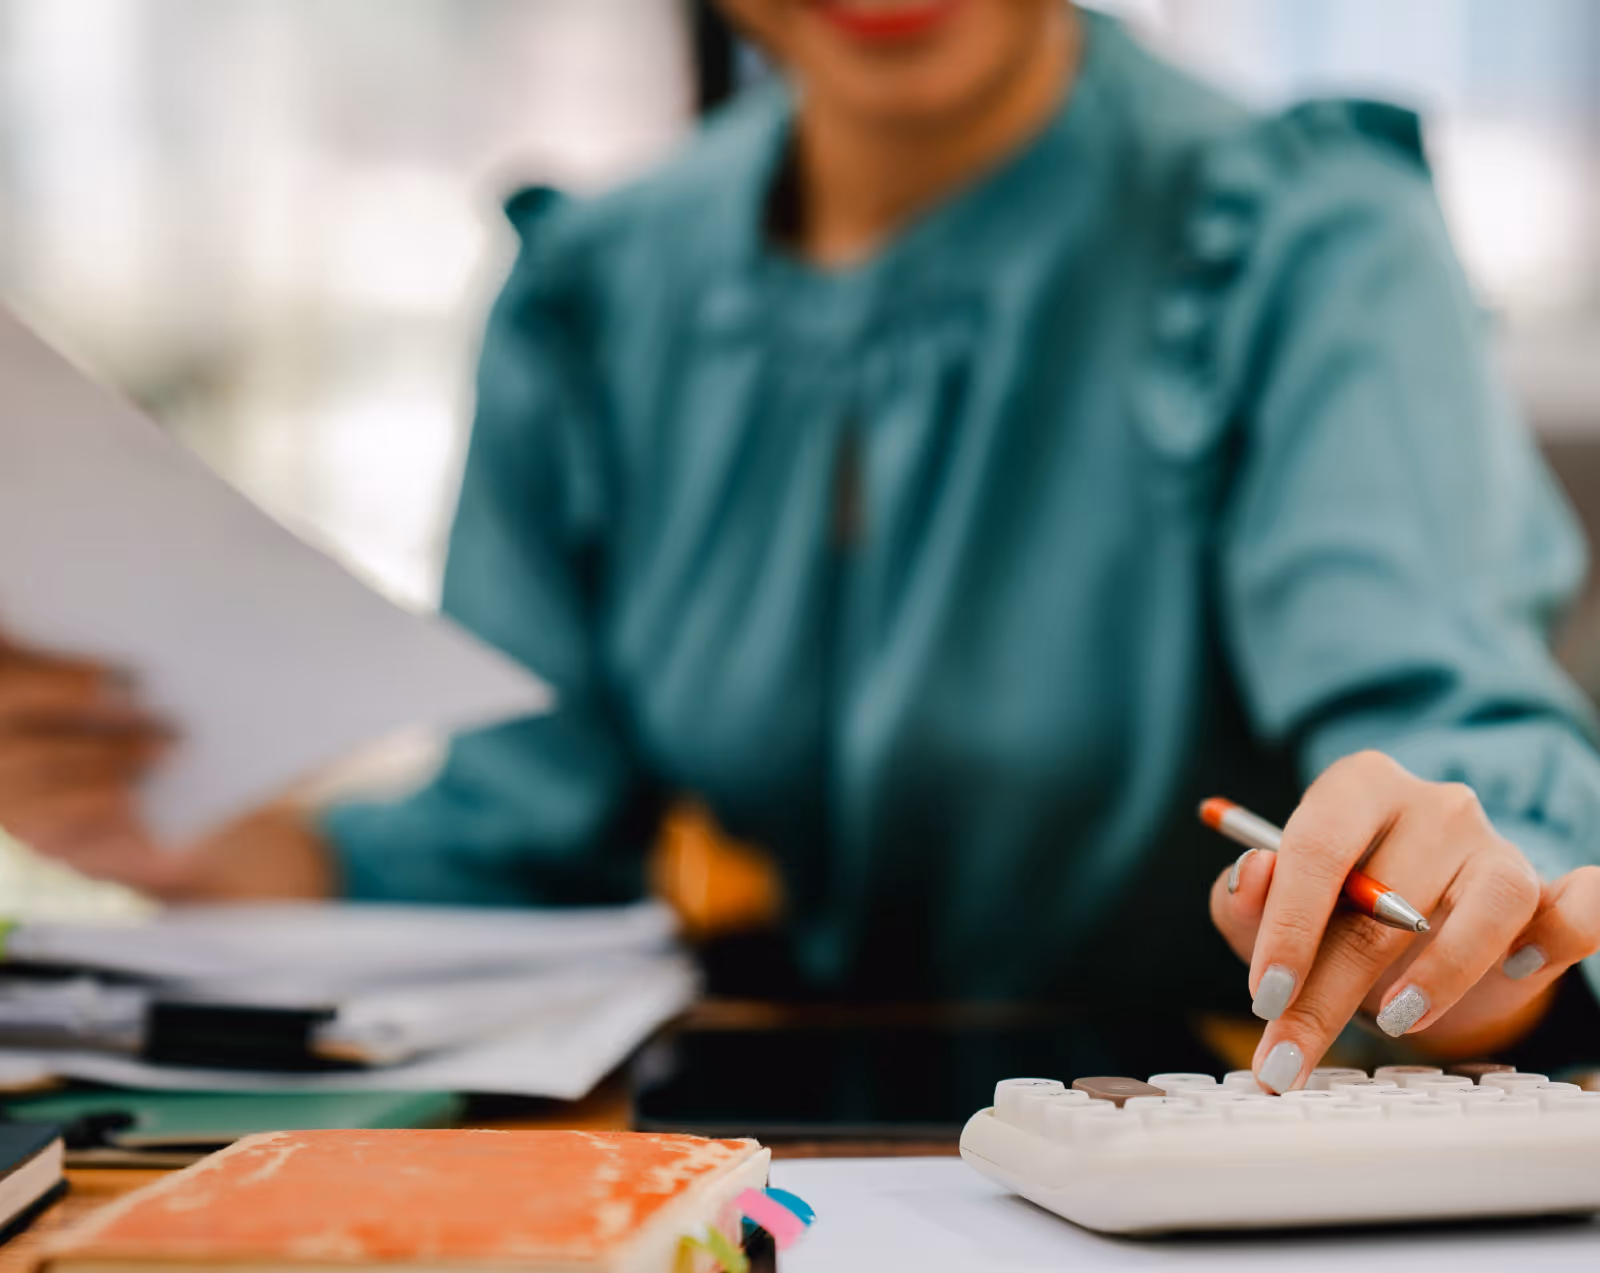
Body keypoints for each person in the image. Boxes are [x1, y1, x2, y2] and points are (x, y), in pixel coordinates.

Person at [1, 1, 1598, 1095]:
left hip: (1215, 1161)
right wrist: (227, 848)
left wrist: (1482, 932)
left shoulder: (1306, 234)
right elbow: (528, 843)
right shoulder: (586, 289)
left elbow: (1459, 745)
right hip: (773, 1180)